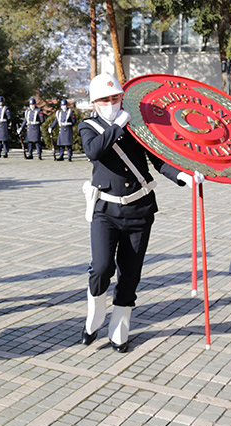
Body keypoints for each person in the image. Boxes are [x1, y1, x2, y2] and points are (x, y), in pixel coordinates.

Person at [79, 73, 197, 353]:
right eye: (104, 100)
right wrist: (118, 125)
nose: (111, 103)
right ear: (95, 103)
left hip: (139, 208)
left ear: (122, 98)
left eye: (115, 98)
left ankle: (119, 329)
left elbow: (158, 160)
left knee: (130, 273)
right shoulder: (90, 126)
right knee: (102, 267)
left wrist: (182, 175)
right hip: (105, 209)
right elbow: (94, 151)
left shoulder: (137, 126)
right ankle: (94, 314)